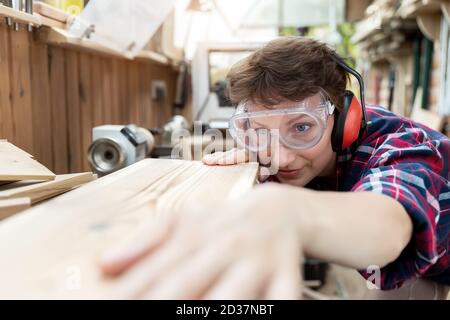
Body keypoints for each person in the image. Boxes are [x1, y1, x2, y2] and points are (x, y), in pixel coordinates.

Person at [99, 37, 449, 299]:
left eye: (301, 128)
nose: (280, 159)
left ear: (345, 118)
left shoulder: (403, 145)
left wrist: (288, 209)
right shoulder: (276, 154)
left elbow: (387, 227)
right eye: (259, 131)